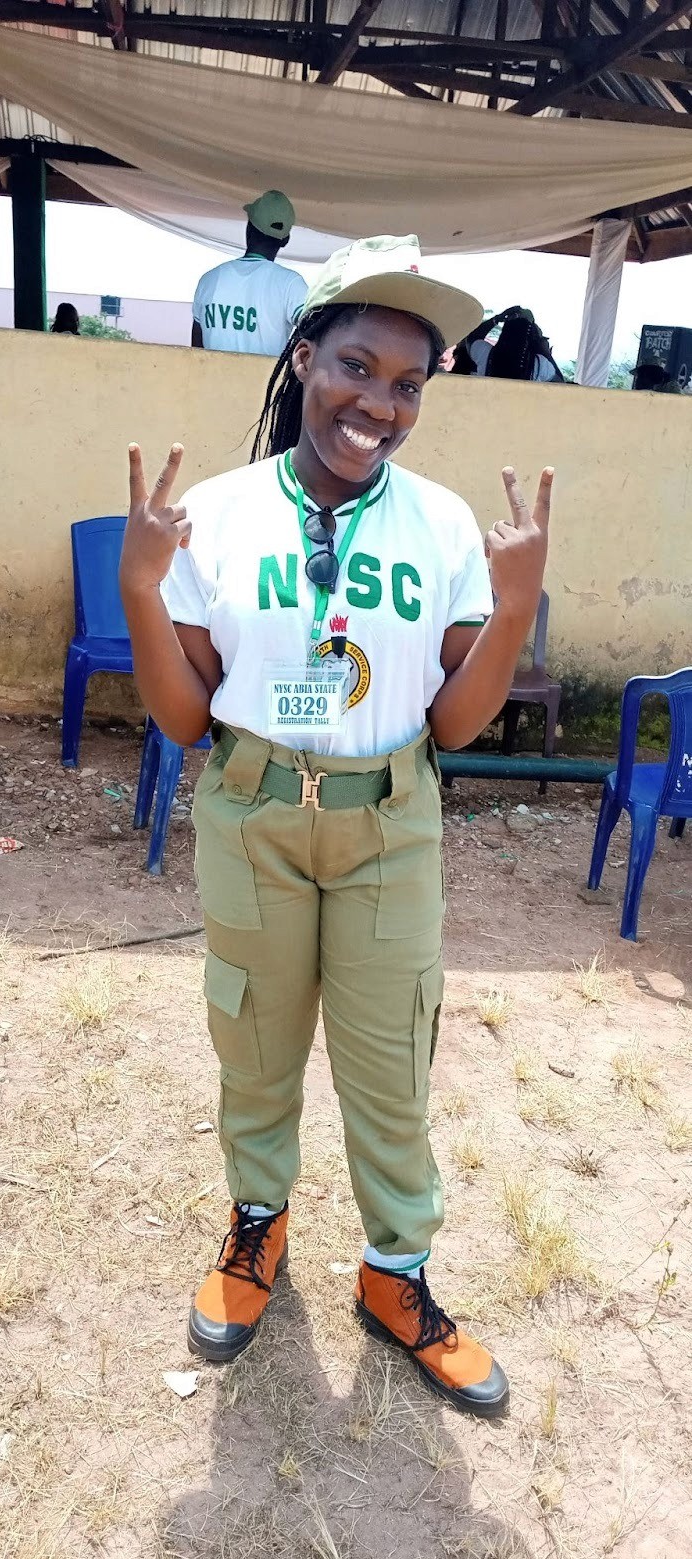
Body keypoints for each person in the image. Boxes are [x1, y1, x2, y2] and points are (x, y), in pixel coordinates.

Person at [120, 234, 552, 1419]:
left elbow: (456, 723)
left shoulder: (445, 525)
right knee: (253, 1042)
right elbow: (178, 719)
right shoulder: (215, 513)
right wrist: (135, 585)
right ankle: (255, 1232)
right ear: (303, 356)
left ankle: (394, 1272)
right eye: (356, 366)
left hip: (387, 823)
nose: (379, 402)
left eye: (407, 384)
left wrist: (509, 607)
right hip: (253, 809)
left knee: (387, 1064)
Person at [191, 190, 307, 358]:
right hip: (265, 384)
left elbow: (195, 351)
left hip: (212, 383)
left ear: (249, 229)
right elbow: (315, 331)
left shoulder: (209, 280)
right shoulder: (291, 283)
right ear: (285, 240)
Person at [457, 306, 563, 382]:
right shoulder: (539, 364)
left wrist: (497, 319)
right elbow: (562, 387)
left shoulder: (487, 354)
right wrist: (546, 352)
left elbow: (472, 338)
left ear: (505, 330)